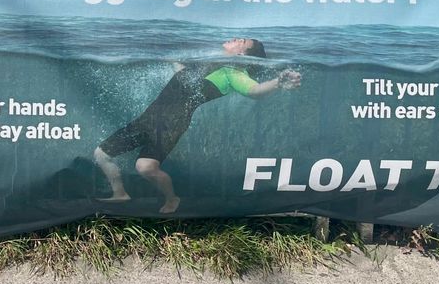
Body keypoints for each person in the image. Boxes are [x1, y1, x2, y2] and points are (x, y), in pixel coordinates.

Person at [93, 37, 302, 214]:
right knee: (101, 154)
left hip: (171, 124)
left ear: (242, 55)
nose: (235, 38)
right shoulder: (208, 62)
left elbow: (254, 91)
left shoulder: (233, 73)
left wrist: (277, 82)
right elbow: (185, 78)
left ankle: (172, 199)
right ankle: (120, 193)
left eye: (241, 41)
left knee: (145, 168)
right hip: (147, 119)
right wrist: (169, 56)